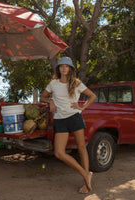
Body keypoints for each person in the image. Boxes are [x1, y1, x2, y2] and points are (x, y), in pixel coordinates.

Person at [40, 57, 97, 194]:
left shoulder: (76, 83)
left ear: (71, 69)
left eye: (67, 66)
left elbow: (92, 96)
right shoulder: (53, 83)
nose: (64, 68)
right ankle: (85, 173)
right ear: (58, 69)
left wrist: (82, 107)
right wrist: (50, 101)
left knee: (82, 148)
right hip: (60, 119)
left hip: (74, 118)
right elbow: (42, 97)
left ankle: (85, 183)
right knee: (59, 152)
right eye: (61, 66)